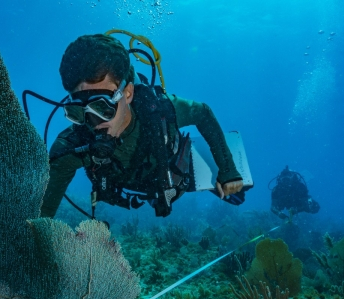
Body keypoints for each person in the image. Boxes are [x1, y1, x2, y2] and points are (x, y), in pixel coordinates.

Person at [40, 34, 244, 218]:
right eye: (77, 111)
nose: (94, 124)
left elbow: (203, 112)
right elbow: (42, 214)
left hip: (172, 170)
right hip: (130, 186)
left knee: (238, 194)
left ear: (127, 93)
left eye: (102, 108)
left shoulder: (161, 110)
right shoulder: (71, 147)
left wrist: (228, 170)